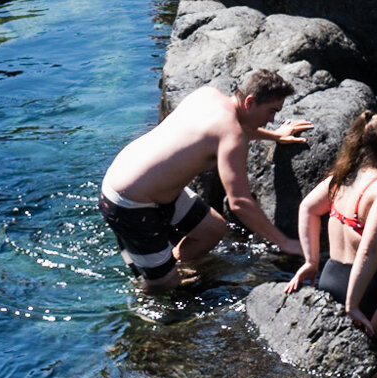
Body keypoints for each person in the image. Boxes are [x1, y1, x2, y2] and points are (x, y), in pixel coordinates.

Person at [98, 69, 310, 289]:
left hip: (135, 176)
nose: (272, 119)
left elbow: (236, 127)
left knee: (212, 230)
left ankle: (170, 264)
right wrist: (284, 242)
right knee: (164, 286)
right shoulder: (232, 135)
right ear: (249, 102)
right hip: (128, 201)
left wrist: (275, 136)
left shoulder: (208, 95)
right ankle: (148, 293)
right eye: (271, 111)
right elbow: (240, 203)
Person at [285, 109, 377, 344]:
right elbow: (369, 250)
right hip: (373, 289)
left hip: (331, 279)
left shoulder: (344, 178)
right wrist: (353, 305)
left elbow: (308, 208)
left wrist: (311, 262)